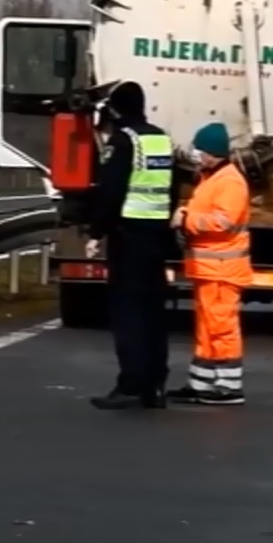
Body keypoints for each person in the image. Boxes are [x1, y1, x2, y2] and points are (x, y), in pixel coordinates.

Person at [84, 81, 182, 411]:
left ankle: (131, 384)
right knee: (154, 313)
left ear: (115, 109)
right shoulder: (161, 139)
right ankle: (155, 384)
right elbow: (171, 190)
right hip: (157, 238)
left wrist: (97, 233)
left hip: (129, 238)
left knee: (128, 314)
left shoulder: (123, 141)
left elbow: (111, 191)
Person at [170, 123, 250, 406]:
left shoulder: (229, 181)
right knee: (207, 328)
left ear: (211, 153)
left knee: (222, 327)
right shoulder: (210, 177)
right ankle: (201, 383)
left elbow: (222, 221)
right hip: (210, 269)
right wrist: (185, 211)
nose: (195, 155)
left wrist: (187, 220)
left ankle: (228, 387)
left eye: (199, 150)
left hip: (222, 269)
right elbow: (206, 210)